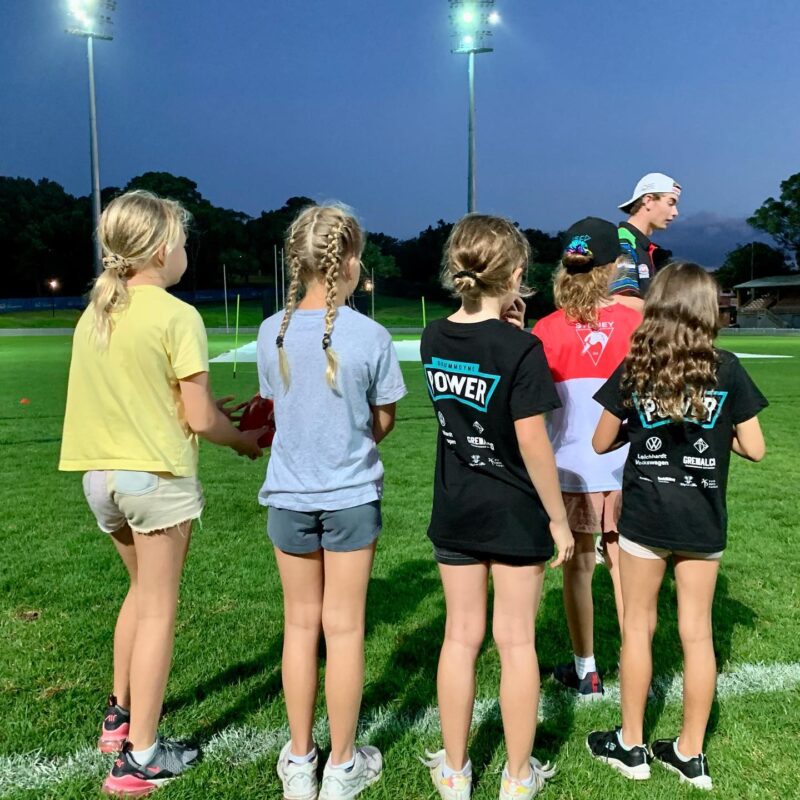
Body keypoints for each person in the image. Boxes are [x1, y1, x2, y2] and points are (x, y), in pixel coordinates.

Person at [59, 190, 265, 797]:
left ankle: (117, 718)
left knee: (140, 594)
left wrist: (196, 413)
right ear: (156, 249)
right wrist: (244, 440)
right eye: (178, 240)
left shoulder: (96, 313)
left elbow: (154, 400)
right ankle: (139, 757)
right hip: (154, 482)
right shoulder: (177, 315)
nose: (183, 252)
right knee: (158, 609)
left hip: (102, 480)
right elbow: (201, 420)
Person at [587, 263, 767, 790]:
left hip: (645, 518)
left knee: (637, 628)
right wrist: (719, 431)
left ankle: (632, 744)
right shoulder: (727, 369)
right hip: (703, 519)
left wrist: (640, 431)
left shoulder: (637, 366)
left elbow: (601, 442)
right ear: (709, 310)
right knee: (697, 634)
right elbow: (754, 448)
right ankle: (690, 754)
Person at [419, 214, 574, 800]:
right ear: (513, 275)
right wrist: (559, 519)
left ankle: (456, 771)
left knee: (460, 637)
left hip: (457, 508)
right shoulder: (523, 348)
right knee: (516, 642)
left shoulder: (434, 337)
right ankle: (516, 776)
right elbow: (533, 442)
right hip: (514, 512)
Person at [256, 204, 407, 800]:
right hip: (350, 500)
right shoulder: (371, 335)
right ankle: (342, 767)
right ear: (350, 261)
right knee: (343, 631)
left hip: (289, 499)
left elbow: (276, 408)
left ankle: (300, 761)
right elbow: (384, 420)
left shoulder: (272, 330)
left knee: (300, 627)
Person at [532, 218, 643, 700]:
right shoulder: (635, 323)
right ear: (611, 266)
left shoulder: (545, 329)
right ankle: (634, 662)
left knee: (578, 568)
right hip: (624, 466)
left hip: (568, 469)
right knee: (624, 567)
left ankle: (587, 670)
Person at [611, 172, 681, 306]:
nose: (675, 212)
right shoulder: (623, 242)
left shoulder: (650, 249)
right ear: (648, 200)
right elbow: (619, 302)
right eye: (670, 203)